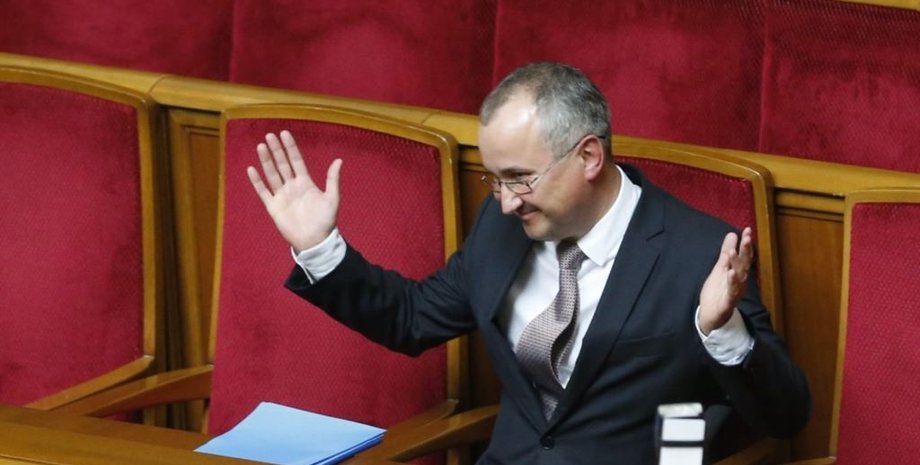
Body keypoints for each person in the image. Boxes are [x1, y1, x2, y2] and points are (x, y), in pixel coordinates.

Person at [246, 62, 811, 465]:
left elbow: (784, 418)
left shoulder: (698, 253)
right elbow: (412, 319)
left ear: (588, 156)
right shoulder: (502, 228)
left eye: (520, 178)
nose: (506, 201)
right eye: (495, 180)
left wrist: (721, 330)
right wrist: (322, 248)